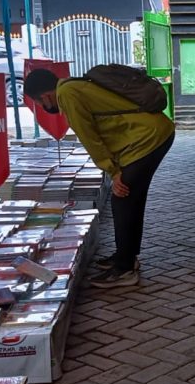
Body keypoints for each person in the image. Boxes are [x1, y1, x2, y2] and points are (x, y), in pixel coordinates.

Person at [24, 67, 175, 288]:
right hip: (149, 135)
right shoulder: (73, 85)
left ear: (45, 96)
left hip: (147, 139)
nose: (43, 108)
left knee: (123, 198)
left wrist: (113, 172)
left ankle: (125, 269)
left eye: (39, 104)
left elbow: (89, 136)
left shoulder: (67, 94)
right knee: (131, 197)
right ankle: (126, 257)